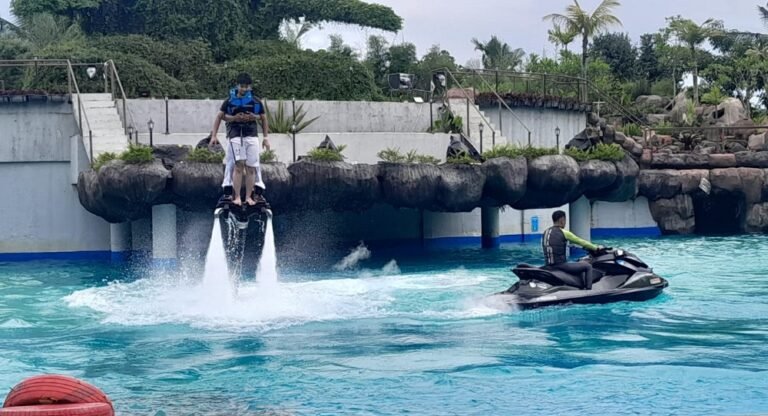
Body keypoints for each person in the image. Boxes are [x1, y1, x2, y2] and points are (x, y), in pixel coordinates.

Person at [209, 73, 270, 206]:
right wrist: (215, 134)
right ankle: (235, 196)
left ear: (249, 87)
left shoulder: (256, 101)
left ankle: (249, 196)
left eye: (246, 87)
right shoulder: (229, 100)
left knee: (251, 167)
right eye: (241, 86)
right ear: (237, 86)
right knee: (237, 165)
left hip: (251, 135)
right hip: (235, 135)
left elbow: (263, 117)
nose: (243, 89)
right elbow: (220, 116)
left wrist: (265, 136)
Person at [541, 210, 605, 290]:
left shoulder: (545, 232)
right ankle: (588, 290)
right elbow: (581, 242)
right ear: (562, 219)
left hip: (548, 265)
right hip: (560, 266)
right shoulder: (564, 232)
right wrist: (596, 247)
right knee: (587, 266)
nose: (565, 222)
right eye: (565, 220)